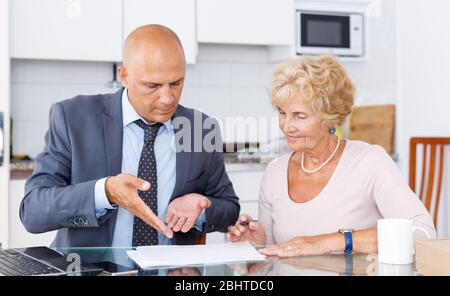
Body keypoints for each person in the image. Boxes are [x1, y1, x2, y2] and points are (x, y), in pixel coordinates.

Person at [20, 24, 239, 247]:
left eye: (176, 83)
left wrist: (200, 209)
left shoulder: (200, 127)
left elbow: (229, 208)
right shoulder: (73, 117)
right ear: (124, 76)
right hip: (90, 270)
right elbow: (33, 212)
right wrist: (105, 192)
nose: (167, 98)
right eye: (152, 86)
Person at [227, 55, 436, 257]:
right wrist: (256, 242)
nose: (286, 126)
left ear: (329, 118)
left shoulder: (369, 161)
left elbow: (423, 233)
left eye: (299, 116)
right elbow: (273, 254)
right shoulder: (274, 172)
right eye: (282, 113)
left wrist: (329, 241)